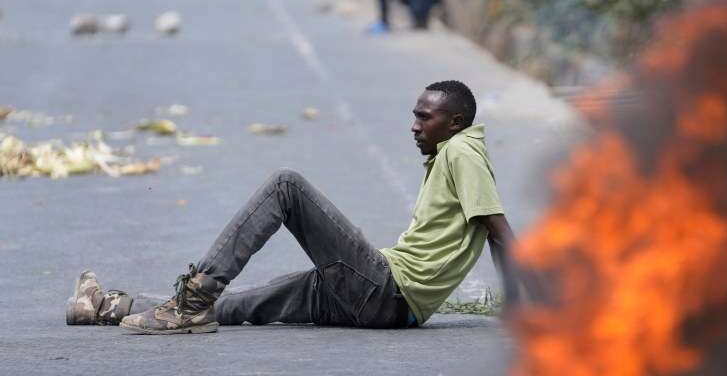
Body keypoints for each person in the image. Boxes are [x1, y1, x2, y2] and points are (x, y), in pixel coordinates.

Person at [65, 80, 522, 333]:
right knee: (238, 306)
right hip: (382, 297)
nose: (414, 126)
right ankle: (107, 306)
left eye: (425, 117)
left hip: (386, 290)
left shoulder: (463, 151)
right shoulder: (451, 152)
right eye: (416, 115)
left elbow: (498, 231)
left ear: (456, 122)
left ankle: (194, 294)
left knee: (287, 187)